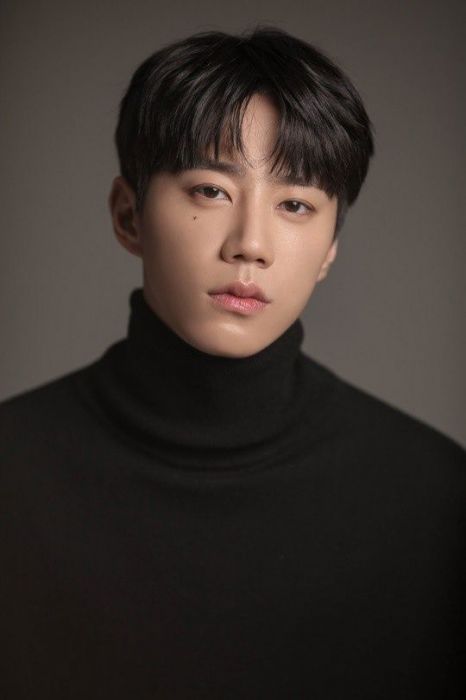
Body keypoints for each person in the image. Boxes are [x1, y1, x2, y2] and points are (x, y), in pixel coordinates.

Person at [1, 25, 465, 700]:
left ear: (330, 248)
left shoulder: (435, 499)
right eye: (211, 190)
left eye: (295, 205)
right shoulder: (14, 469)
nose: (251, 244)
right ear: (128, 215)